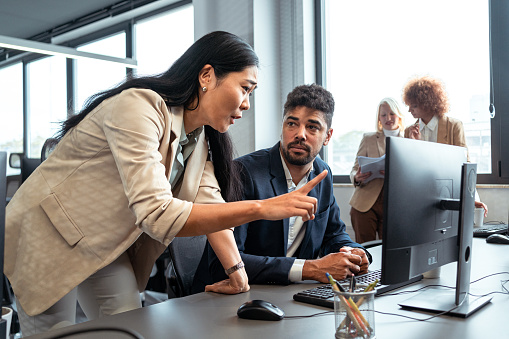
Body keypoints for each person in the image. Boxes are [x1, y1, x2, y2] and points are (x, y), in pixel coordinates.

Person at [5, 31, 327, 336]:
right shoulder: (139, 106)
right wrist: (261, 208)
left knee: (129, 324)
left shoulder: (198, 139)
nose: (246, 103)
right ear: (207, 76)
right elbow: (155, 213)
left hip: (101, 242)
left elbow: (210, 203)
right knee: (57, 332)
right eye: (245, 88)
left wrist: (236, 271)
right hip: (47, 231)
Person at [192, 84, 370, 292]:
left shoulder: (323, 174)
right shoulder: (243, 173)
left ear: (328, 136)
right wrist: (310, 269)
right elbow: (224, 264)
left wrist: (355, 252)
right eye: (292, 124)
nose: (300, 134)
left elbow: (334, 234)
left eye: (312, 127)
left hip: (287, 295)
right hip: (229, 296)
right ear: (282, 127)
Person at [402, 75, 488, 215]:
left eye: (414, 105)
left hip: (451, 190)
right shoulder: (408, 131)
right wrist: (413, 145)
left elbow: (464, 163)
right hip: (421, 192)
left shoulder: (454, 125)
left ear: (428, 102)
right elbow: (407, 170)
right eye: (409, 105)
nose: (409, 110)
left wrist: (468, 197)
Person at [349, 98, 405, 243]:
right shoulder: (368, 138)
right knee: (364, 249)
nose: (388, 118)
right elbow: (355, 168)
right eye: (383, 115)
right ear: (379, 118)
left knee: (390, 249)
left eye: (392, 113)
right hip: (365, 204)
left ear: (399, 115)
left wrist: (395, 175)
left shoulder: (408, 140)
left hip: (395, 204)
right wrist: (357, 177)